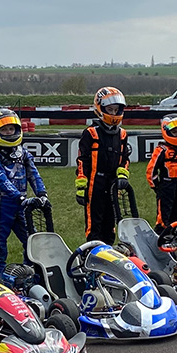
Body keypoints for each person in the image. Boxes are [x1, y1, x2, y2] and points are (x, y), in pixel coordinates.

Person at [0, 108, 46, 276]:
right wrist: (18, 196)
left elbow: (34, 174)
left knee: (31, 239)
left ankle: (29, 272)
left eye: (11, 129)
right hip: (1, 204)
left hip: (23, 204)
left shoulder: (23, 153)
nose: (9, 132)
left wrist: (42, 194)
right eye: (4, 130)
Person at [75, 86, 131, 243]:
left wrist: (122, 175)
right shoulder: (91, 133)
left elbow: (125, 158)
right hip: (95, 183)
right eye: (110, 109)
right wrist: (81, 186)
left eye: (116, 110)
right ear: (100, 108)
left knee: (110, 220)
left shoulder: (122, 134)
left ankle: (109, 249)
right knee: (95, 222)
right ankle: (92, 249)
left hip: (113, 183)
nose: (113, 113)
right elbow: (82, 160)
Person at [146, 113, 177, 228]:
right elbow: (151, 170)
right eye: (174, 132)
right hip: (166, 185)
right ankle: (161, 231)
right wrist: (156, 186)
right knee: (164, 213)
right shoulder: (162, 150)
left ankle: (176, 232)